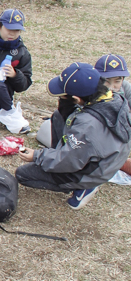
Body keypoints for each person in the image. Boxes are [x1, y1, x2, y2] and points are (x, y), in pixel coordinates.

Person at [16, 63, 131, 209]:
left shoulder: (87, 126)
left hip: (92, 170)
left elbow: (70, 161)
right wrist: (66, 102)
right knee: (58, 116)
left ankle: (83, 187)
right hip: (102, 155)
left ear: (77, 99)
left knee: (23, 174)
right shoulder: (111, 96)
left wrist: (38, 156)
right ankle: (59, 156)